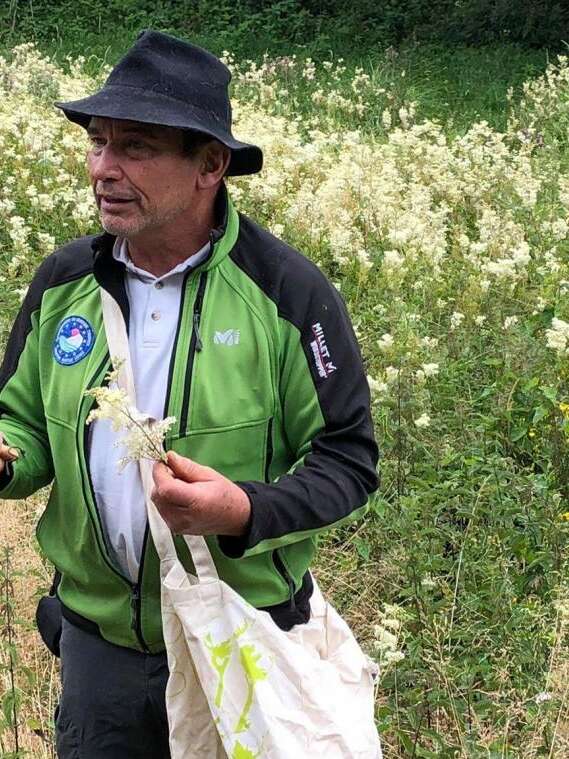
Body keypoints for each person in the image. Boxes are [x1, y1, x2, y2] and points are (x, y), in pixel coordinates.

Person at [0, 30, 379, 758]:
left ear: (210, 164)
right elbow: (21, 425)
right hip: (100, 648)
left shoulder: (287, 294)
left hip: (242, 633)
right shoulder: (62, 282)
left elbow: (348, 459)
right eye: (98, 143)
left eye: (134, 147)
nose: (103, 168)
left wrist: (242, 510)